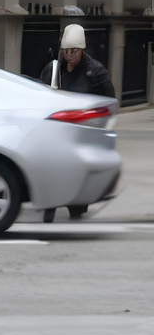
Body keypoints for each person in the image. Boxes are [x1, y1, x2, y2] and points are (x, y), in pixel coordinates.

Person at [39, 22, 114, 220]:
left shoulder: (96, 72)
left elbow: (109, 103)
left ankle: (77, 207)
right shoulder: (53, 69)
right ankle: (50, 207)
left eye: (73, 51)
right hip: (56, 130)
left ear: (82, 50)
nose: (69, 55)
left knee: (77, 174)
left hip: (82, 131)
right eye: (65, 51)